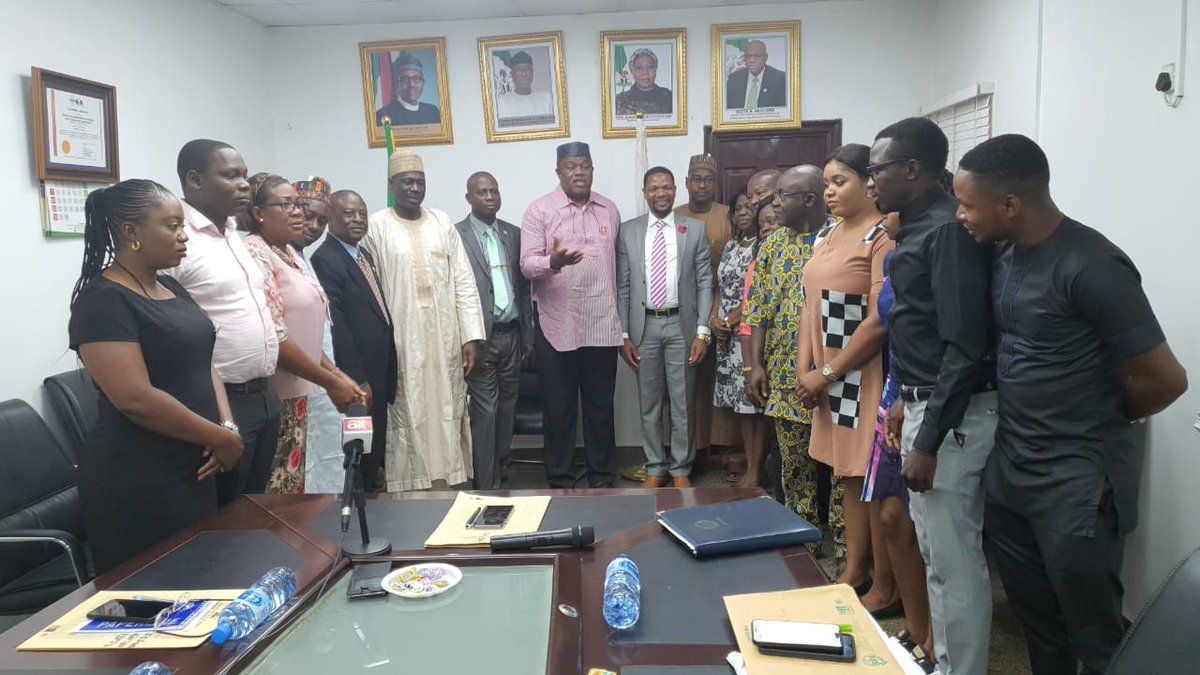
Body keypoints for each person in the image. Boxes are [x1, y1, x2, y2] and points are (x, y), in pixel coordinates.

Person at [956, 134, 1188, 675]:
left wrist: (1104, 413)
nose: (961, 214)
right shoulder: (1005, 253)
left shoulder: (1093, 265)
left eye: (968, 204)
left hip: (1077, 483)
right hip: (1013, 474)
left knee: (1095, 634)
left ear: (1009, 204)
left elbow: (1166, 379)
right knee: (1039, 625)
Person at [867, 117, 996, 675]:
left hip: (955, 418)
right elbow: (922, 328)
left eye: (877, 170)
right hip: (923, 403)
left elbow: (965, 344)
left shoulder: (945, 232)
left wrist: (931, 437)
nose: (870, 181)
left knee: (954, 562)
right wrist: (903, 400)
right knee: (936, 557)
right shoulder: (917, 229)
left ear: (912, 169)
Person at [68, 179, 243, 573]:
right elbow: (136, 399)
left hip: (196, 463)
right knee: (155, 598)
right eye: (172, 226)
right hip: (140, 478)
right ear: (131, 232)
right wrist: (219, 437)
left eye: (183, 226)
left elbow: (203, 361)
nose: (184, 238)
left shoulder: (170, 285)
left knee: (206, 581)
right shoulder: (102, 301)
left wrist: (226, 426)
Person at [795, 144, 895, 589]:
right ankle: (856, 570)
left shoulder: (881, 236)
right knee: (850, 478)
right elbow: (808, 307)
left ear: (868, 183)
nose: (830, 193)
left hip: (860, 375)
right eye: (826, 184)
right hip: (826, 376)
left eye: (840, 182)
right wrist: (805, 370)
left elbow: (878, 321)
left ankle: (883, 582)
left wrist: (828, 373)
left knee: (872, 480)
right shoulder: (827, 235)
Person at [363, 150, 485, 491]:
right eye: (406, 182)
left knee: (448, 403)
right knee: (408, 407)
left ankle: (450, 477)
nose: (414, 188)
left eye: (420, 182)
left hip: (445, 337)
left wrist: (471, 337)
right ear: (392, 185)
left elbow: (463, 280)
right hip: (401, 338)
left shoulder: (442, 222)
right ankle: (409, 481)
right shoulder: (375, 226)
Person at [166, 139, 278, 505]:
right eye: (231, 176)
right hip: (219, 404)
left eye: (244, 175)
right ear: (195, 181)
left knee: (254, 509)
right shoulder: (177, 239)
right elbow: (166, 326)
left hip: (263, 395)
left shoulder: (233, 233)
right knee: (223, 518)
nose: (244, 184)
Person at [242, 173, 364, 494]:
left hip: (301, 389)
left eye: (299, 206)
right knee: (277, 488)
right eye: (289, 206)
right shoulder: (255, 253)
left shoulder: (291, 253)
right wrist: (332, 380)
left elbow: (311, 333)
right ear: (258, 213)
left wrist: (337, 374)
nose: (299, 216)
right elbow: (276, 335)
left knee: (294, 482)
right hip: (275, 392)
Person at [520, 141, 623, 488]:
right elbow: (526, 265)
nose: (579, 172)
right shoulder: (539, 210)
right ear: (559, 172)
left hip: (601, 324)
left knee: (600, 409)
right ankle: (561, 481)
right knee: (559, 411)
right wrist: (554, 262)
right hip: (556, 325)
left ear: (592, 170)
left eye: (585, 166)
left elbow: (616, 267)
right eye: (571, 167)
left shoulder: (609, 209)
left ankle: (603, 480)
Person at [743, 166, 830, 528]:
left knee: (840, 464)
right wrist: (753, 366)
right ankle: (801, 532)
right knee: (793, 462)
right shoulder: (774, 243)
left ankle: (845, 542)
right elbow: (757, 309)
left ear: (809, 199)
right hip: (783, 375)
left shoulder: (839, 236)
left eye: (781, 196)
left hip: (835, 372)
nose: (772, 203)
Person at [617, 167, 712, 487]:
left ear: (675, 191)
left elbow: (704, 283)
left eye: (666, 187)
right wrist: (624, 334)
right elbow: (623, 286)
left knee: (683, 402)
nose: (661, 193)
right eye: (654, 188)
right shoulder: (627, 231)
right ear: (645, 193)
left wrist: (702, 331)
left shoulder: (694, 230)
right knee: (650, 402)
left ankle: (681, 469)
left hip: (681, 327)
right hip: (644, 328)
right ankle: (656, 467)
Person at [311, 190, 397, 493]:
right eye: (349, 213)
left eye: (362, 212)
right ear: (331, 218)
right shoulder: (325, 260)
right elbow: (339, 328)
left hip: (378, 371)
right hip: (357, 378)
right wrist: (356, 379)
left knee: (375, 447)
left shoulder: (363, 255)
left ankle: (374, 507)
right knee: (359, 450)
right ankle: (362, 512)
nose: (358, 219)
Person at [455, 172, 534, 490]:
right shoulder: (456, 236)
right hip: (481, 338)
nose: (489, 197)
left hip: (512, 335)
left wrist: (527, 335)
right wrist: (468, 338)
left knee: (507, 407)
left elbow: (524, 287)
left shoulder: (512, 233)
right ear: (469, 198)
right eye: (482, 192)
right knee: (485, 412)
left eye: (494, 191)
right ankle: (485, 486)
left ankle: (502, 472)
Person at [676, 154, 738, 460]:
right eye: (696, 178)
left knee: (723, 378)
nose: (702, 185)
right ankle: (692, 450)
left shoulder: (729, 215)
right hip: (685, 309)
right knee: (690, 381)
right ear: (686, 183)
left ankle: (728, 451)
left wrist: (719, 314)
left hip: (726, 309)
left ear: (715, 184)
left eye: (708, 179)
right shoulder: (673, 215)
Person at [711, 191, 768, 489]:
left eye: (750, 207)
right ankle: (749, 462)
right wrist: (714, 322)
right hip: (726, 338)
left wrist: (731, 322)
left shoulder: (764, 245)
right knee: (741, 409)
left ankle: (756, 470)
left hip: (750, 335)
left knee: (754, 406)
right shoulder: (732, 245)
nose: (743, 212)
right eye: (738, 208)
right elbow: (719, 288)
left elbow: (758, 292)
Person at [290, 177, 343, 494]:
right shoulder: (273, 253)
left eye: (322, 221)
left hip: (320, 375)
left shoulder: (302, 256)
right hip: (297, 377)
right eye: (307, 215)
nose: (313, 226)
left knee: (324, 452)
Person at [375, 52, 441, 126]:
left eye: (416, 79)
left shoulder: (433, 112)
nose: (411, 85)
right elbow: (387, 137)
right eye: (405, 79)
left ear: (423, 83)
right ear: (397, 83)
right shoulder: (384, 116)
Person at [725, 40, 786, 109]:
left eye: (757, 56)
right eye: (748, 56)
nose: (752, 60)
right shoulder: (734, 79)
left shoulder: (780, 79)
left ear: (766, 57)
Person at [495, 50, 554, 122]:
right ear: (512, 74)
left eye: (527, 70)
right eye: (519, 70)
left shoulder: (547, 98)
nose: (524, 74)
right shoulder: (502, 102)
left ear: (532, 73)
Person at [615, 48, 673, 115]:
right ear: (632, 71)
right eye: (639, 68)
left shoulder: (670, 97)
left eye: (650, 67)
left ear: (656, 69)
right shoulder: (619, 101)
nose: (645, 72)